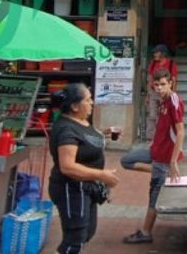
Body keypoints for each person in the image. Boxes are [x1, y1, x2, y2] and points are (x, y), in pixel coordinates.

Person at [49, 84, 120, 254]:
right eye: (87, 100)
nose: (92, 102)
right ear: (75, 106)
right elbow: (67, 167)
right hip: (72, 188)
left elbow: (84, 138)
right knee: (75, 240)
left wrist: (103, 133)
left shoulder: (80, 120)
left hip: (87, 187)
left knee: (87, 232)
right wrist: (102, 175)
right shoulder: (66, 129)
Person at [121, 68, 185, 244]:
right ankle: (159, 172)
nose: (159, 88)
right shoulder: (162, 101)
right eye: (156, 85)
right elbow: (163, 126)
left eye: (163, 84)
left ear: (170, 83)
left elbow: (180, 132)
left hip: (165, 156)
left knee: (154, 196)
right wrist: (154, 141)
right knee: (126, 160)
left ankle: (146, 232)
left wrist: (173, 161)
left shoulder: (174, 100)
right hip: (155, 151)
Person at [146, 44, 178, 140]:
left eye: (157, 52)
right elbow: (150, 80)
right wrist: (148, 95)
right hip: (153, 92)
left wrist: (172, 94)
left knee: (164, 115)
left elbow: (173, 80)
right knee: (152, 115)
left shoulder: (171, 64)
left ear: (163, 54)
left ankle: (164, 136)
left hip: (165, 94)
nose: (154, 54)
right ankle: (151, 137)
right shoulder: (153, 64)